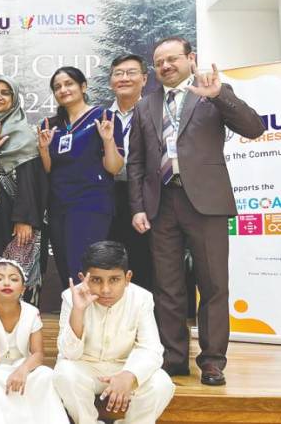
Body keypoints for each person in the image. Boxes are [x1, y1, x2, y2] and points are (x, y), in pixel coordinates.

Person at [127, 36, 265, 385]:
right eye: (159, 62)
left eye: (173, 59)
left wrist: (220, 96)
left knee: (213, 284)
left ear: (192, 59)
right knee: (168, 286)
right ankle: (173, 358)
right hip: (162, 204)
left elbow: (254, 128)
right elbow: (137, 163)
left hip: (206, 202)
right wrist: (138, 207)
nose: (165, 66)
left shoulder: (212, 91)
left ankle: (213, 361)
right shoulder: (146, 104)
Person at [52, 241, 175, 424]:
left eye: (114, 280)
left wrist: (129, 375)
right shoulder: (71, 297)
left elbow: (151, 349)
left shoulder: (142, 298)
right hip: (86, 368)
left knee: (161, 383)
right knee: (64, 373)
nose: (106, 289)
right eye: (96, 280)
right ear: (82, 278)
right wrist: (78, 311)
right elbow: (69, 354)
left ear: (128, 278)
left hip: (125, 367)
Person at [38, 66, 124, 285]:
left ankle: (90, 318)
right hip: (59, 205)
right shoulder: (50, 125)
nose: (63, 90)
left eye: (69, 84)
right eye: (57, 87)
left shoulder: (104, 117)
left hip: (90, 203)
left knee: (84, 266)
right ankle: (72, 318)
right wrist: (44, 149)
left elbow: (114, 168)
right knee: (65, 266)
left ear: (83, 86)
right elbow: (49, 169)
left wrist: (107, 139)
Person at [0, 75, 48, 305]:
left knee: (16, 273)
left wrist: (24, 219)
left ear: (14, 98)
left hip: (15, 216)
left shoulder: (25, 135)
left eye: (5, 93)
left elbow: (31, 180)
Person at [0, 259, 67, 424]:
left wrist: (22, 370)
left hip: (23, 367)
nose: (6, 282)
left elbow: (38, 354)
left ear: (23, 288)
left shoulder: (32, 312)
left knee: (45, 375)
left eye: (14, 279)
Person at [106, 54, 154, 293]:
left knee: (144, 260)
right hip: (109, 195)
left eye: (131, 72)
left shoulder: (155, 113)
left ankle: (145, 323)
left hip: (146, 197)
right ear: (111, 81)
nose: (124, 78)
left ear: (144, 79)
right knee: (110, 261)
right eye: (118, 73)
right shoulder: (101, 117)